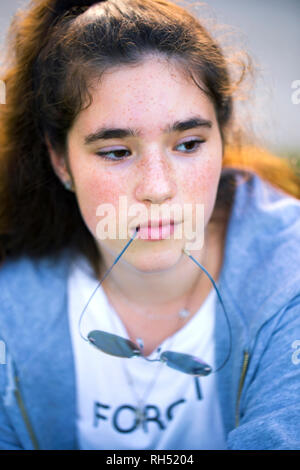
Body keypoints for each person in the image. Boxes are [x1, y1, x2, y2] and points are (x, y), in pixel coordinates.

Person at [0, 0, 299, 451]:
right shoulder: (10, 302)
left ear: (222, 136)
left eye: (189, 143)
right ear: (60, 160)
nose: (157, 189)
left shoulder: (289, 276)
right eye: (116, 151)